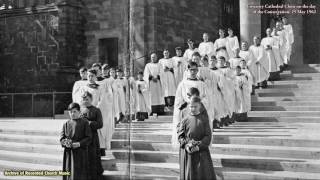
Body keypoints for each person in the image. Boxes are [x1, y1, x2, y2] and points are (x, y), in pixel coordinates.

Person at [177, 96, 216, 180]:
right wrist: (186, 145)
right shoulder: (185, 120)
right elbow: (180, 136)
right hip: (188, 153)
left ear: (200, 106)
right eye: (191, 106)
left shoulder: (204, 119)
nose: (193, 109)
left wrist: (198, 146)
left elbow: (208, 136)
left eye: (195, 106)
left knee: (202, 174)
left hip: (202, 153)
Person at [172, 61, 210, 146]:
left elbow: (206, 98)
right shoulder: (182, 84)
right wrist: (186, 103)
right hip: (186, 113)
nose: (193, 72)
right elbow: (178, 99)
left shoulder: (202, 84)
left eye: (195, 70)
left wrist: (199, 103)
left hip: (198, 113)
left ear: (197, 71)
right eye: (191, 70)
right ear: (187, 70)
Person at [60, 102, 92, 180]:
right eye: (70, 112)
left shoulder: (84, 123)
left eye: (74, 111)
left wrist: (79, 144)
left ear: (79, 112)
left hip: (80, 153)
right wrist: (65, 142)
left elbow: (89, 138)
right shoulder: (66, 124)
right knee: (69, 171)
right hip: (69, 153)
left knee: (79, 174)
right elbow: (62, 138)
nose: (72, 114)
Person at [80, 92, 104, 180]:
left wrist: (89, 123)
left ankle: (95, 176)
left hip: (93, 138)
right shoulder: (80, 110)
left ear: (91, 99)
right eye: (84, 99)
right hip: (83, 138)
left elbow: (100, 124)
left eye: (87, 99)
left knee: (93, 156)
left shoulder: (96, 110)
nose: (85, 101)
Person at [208, 56, 228, 129]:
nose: (212, 62)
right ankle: (210, 123)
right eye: (211, 60)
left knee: (217, 107)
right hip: (209, 92)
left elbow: (222, 81)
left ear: (216, 62)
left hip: (216, 91)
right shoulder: (207, 71)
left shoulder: (219, 71)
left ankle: (217, 122)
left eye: (213, 60)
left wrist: (219, 86)